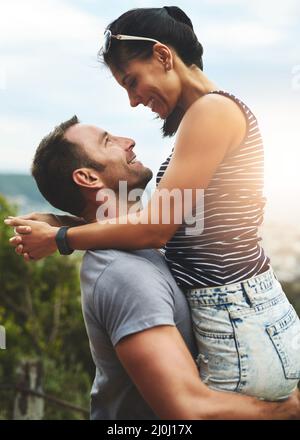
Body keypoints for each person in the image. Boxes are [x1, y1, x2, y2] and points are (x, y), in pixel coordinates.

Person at [6, 7, 300, 399]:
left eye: (132, 81)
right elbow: (172, 224)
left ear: (163, 56)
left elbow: (158, 229)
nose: (131, 100)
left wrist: (61, 238)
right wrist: (64, 220)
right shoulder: (209, 113)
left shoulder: (211, 112)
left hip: (237, 319)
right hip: (238, 317)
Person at [7, 116, 300, 419]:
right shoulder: (124, 275)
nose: (128, 141)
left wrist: (62, 225)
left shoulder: (146, 242)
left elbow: (140, 226)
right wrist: (285, 410)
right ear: (89, 178)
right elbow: (187, 409)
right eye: (108, 141)